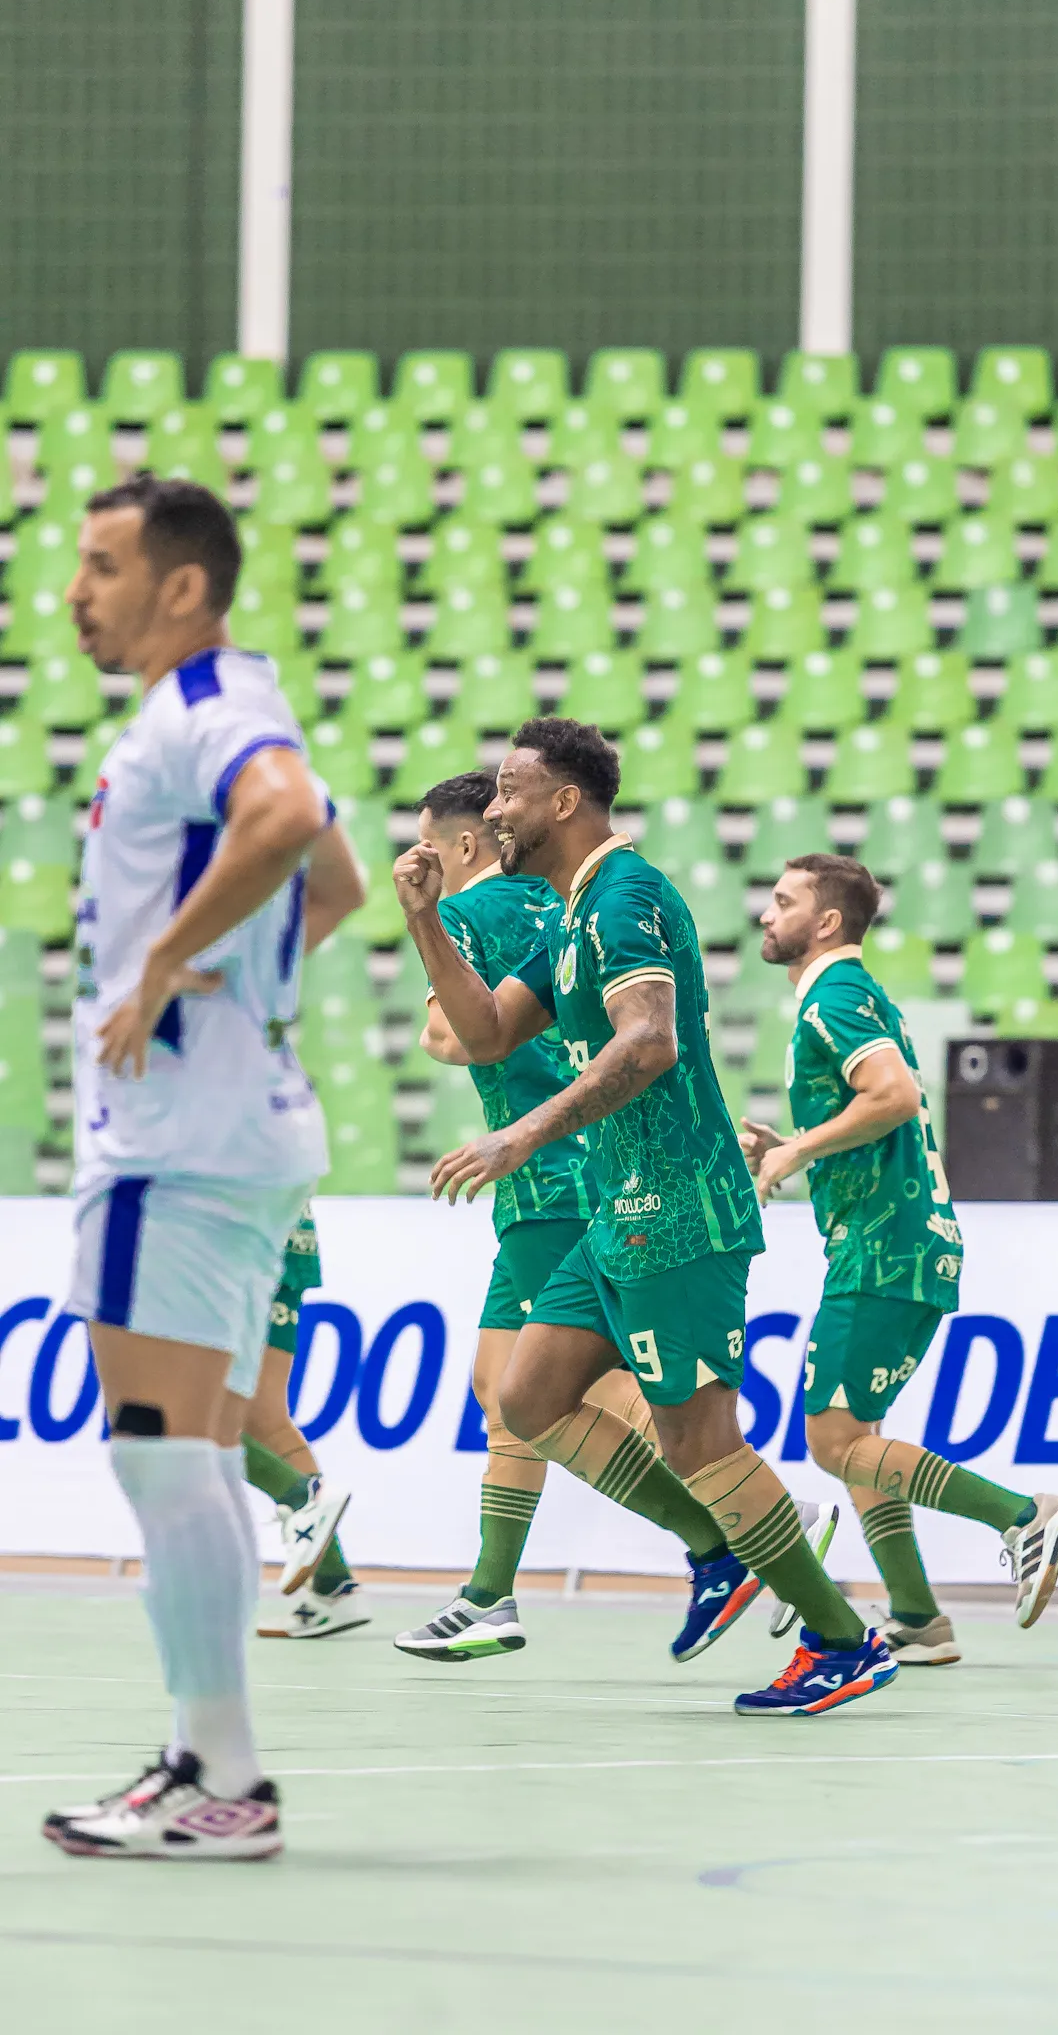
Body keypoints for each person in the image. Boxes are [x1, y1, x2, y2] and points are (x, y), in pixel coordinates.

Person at [392, 718, 897, 1717]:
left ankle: (843, 1637)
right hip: (611, 1209)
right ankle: (719, 1549)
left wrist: (519, 1137)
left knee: (700, 1440)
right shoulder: (572, 914)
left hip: (677, 1207)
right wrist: (422, 923)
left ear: (564, 801)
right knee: (527, 1396)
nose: (494, 810)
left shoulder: (626, 896)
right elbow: (487, 1032)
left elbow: (651, 1041)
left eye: (511, 791)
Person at [43, 473, 331, 1860]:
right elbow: (329, 887)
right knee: (194, 1453)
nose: (74, 593)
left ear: (180, 585)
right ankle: (205, 1764)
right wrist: (231, 987)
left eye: (100, 567)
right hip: (235, 1128)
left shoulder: (205, 710)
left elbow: (283, 822)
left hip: (173, 1146)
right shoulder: (234, 699)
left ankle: (223, 1777)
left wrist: (166, 968)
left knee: (158, 1459)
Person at [740, 854, 1058, 1663]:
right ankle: (916, 1617)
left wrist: (796, 1154)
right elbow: (878, 1116)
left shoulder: (834, 997)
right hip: (893, 1241)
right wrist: (796, 1146)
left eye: (783, 901)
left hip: (883, 1246)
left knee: (831, 1442)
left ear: (826, 923)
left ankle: (1022, 1515)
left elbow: (888, 1097)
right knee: (859, 1438)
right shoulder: (852, 998)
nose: (764, 912)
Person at [391, 771, 652, 1662]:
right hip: (586, 1163)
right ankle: (490, 1596)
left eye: (429, 839)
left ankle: (748, 1520)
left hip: (546, 1181)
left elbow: (449, 1036)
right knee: (500, 1391)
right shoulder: (557, 903)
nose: (420, 857)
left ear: (461, 847)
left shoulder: (467, 912)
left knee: (567, 1386)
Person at [246, 825, 371, 1640]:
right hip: (281, 1210)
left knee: (179, 1419)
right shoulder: (261, 978)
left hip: (236, 1212)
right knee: (262, 1419)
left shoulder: (217, 980)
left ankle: (303, 1503)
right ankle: (335, 1588)